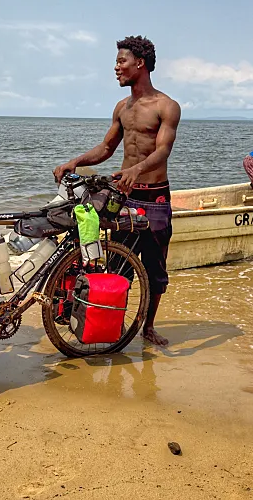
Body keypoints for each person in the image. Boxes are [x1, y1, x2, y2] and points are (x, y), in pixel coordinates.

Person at [53, 35, 181, 347]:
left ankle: (148, 328)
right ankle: (109, 325)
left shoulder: (167, 106)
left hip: (154, 198)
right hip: (123, 197)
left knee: (155, 271)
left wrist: (137, 169)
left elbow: (163, 150)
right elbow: (107, 147)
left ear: (140, 63)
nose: (116, 68)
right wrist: (75, 161)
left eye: (121, 61)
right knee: (119, 266)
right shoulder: (122, 107)